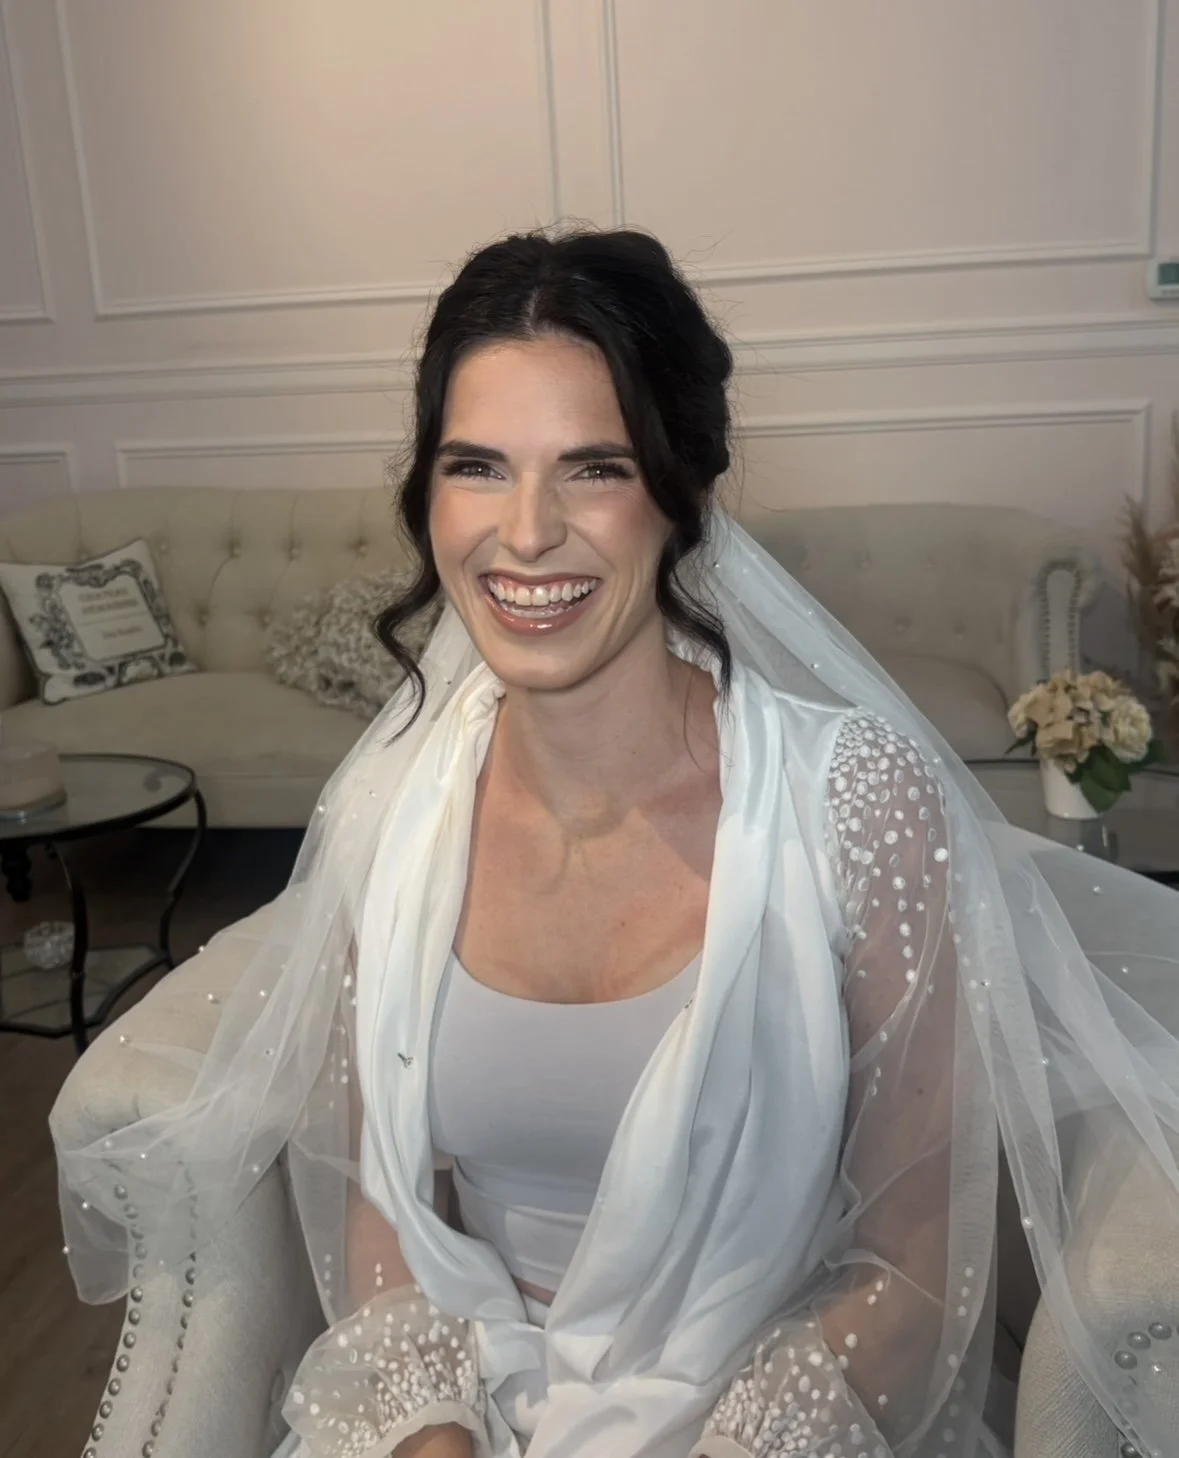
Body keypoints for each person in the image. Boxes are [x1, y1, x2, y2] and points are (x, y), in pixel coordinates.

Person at [53, 229, 1179, 1458]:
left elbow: (913, 1267)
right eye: (477, 466)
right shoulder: (393, 809)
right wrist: (438, 1438)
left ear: (681, 490)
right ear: (425, 493)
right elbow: (382, 1213)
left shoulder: (857, 806)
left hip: (770, 1419)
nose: (525, 533)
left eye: (593, 468)